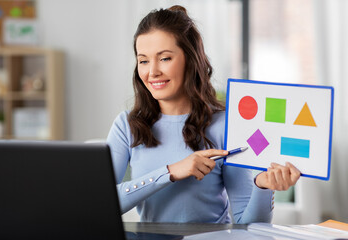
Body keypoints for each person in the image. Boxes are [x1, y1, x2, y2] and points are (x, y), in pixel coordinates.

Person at [107, 5, 301, 223]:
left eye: (165, 58)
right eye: (143, 60)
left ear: (190, 59)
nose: (152, 72)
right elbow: (102, 204)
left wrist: (263, 187)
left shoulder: (226, 125)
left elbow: (249, 227)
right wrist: (170, 172)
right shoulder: (126, 125)